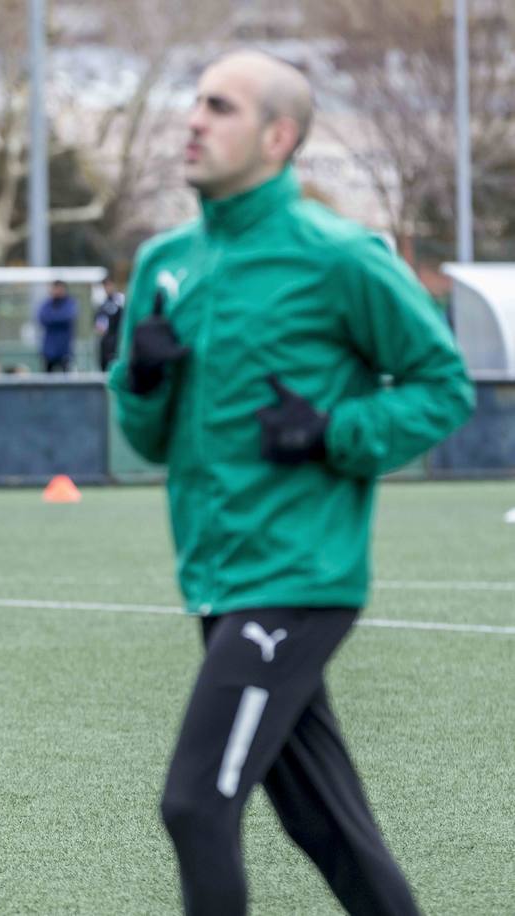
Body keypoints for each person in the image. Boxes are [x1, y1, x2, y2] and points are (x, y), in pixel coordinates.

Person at [108, 51, 473, 916]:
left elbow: (443, 386)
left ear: (278, 136)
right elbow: (146, 439)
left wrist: (334, 432)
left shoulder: (339, 256)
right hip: (217, 576)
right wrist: (144, 381)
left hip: (298, 578)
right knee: (330, 830)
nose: (193, 120)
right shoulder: (166, 260)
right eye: (194, 101)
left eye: (219, 107)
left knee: (196, 806)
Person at [36, 280, 77, 372]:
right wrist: (57, 317)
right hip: (49, 350)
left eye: (59, 288)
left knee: (67, 380)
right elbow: (42, 318)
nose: (57, 291)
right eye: (55, 288)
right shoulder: (46, 304)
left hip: (64, 350)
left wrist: (52, 318)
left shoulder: (70, 303)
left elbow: (67, 317)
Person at [93, 277, 124, 371]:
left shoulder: (120, 301)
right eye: (105, 286)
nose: (107, 288)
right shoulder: (101, 304)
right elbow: (98, 322)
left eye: (109, 285)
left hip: (116, 341)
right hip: (105, 342)